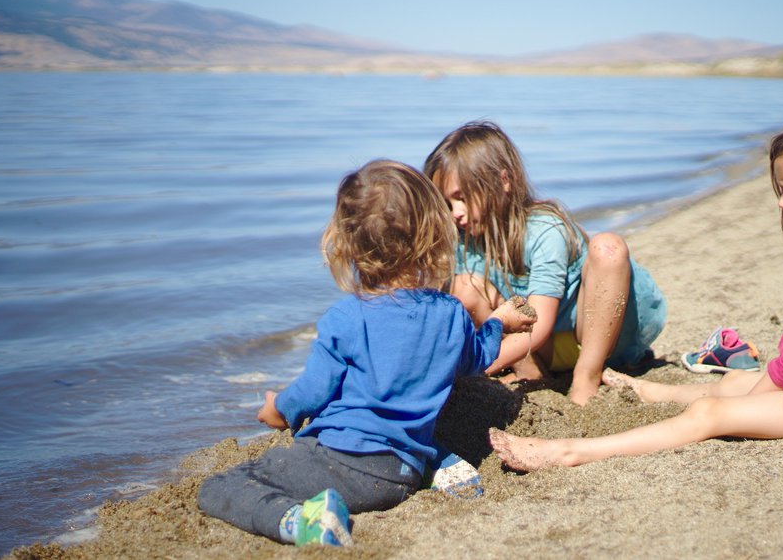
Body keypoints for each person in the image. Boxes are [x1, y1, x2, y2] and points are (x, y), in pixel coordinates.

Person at [489, 112, 783, 470]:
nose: (781, 203)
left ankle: (569, 452)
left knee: (710, 413)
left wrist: (754, 401)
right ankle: (657, 391)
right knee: (737, 380)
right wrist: (753, 390)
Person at [198, 160, 534, 545]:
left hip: (345, 465)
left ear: (346, 244)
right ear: (430, 235)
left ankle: (303, 524)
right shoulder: (449, 314)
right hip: (405, 469)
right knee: (405, 418)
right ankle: (443, 468)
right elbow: (479, 357)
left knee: (222, 486)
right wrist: (497, 322)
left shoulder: (346, 317)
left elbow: (312, 392)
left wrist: (279, 409)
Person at [424, 121, 667, 406]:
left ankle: (586, 376)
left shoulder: (544, 229)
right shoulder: (465, 240)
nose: (456, 213)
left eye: (462, 198)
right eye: (448, 204)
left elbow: (538, 322)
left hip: (599, 337)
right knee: (463, 288)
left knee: (608, 247)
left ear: (504, 181)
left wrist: (473, 367)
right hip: (545, 350)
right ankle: (532, 375)